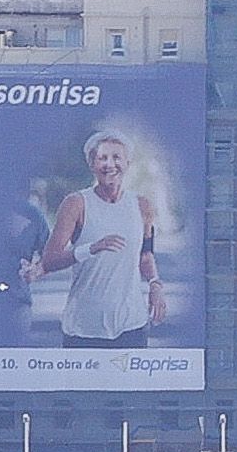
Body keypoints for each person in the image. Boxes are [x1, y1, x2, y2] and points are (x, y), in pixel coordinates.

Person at [35, 128, 165, 349]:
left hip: (131, 325)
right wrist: (91, 249)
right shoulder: (76, 204)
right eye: (102, 158)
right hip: (84, 328)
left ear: (127, 163)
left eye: (116, 157)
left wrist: (155, 285)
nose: (110, 164)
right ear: (92, 164)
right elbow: (50, 260)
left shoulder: (142, 206)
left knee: (130, 384)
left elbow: (145, 254)